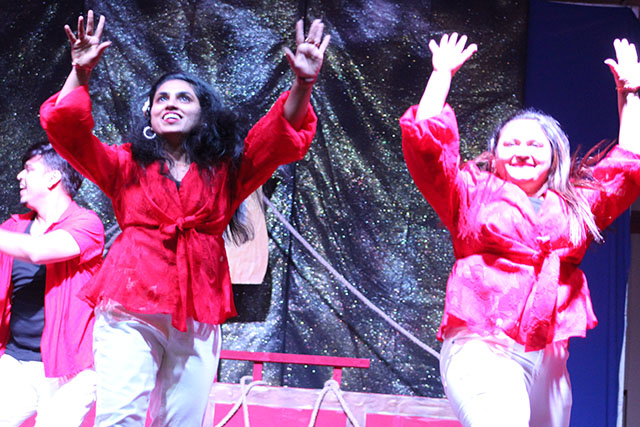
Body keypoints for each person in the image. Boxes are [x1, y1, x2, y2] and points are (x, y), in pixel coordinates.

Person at [39, 9, 329, 427]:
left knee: (183, 421)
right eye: (161, 98)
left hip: (198, 306)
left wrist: (303, 82)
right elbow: (67, 130)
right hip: (129, 303)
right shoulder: (123, 164)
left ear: (203, 114)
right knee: (120, 418)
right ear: (150, 116)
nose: (170, 103)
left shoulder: (229, 171)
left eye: (183, 98)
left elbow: (279, 134)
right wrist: (80, 73)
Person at [400, 33, 640, 426]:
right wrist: (441, 76)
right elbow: (425, 147)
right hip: (483, 342)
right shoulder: (470, 192)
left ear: (554, 157)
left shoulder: (575, 205)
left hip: (547, 351)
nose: (523, 151)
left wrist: (630, 95)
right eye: (511, 144)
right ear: (494, 155)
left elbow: (627, 170)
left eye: (535, 145)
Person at [0, 141, 104, 426]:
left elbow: (38, 251)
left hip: (69, 371)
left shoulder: (86, 224)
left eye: (29, 169)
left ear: (53, 178)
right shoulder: (13, 229)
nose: (20, 176)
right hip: (16, 361)